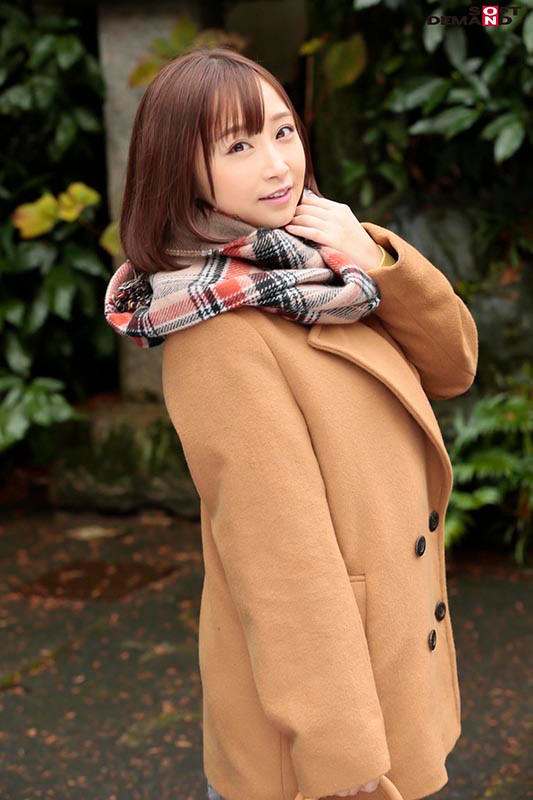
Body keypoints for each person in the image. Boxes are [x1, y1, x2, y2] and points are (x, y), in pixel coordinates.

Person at [104, 47, 478, 800]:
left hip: (390, 668)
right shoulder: (215, 328)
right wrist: (342, 760)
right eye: (237, 147)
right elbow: (279, 566)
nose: (277, 164)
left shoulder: (321, 267)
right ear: (182, 171)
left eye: (282, 131)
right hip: (329, 731)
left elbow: (452, 366)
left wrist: (375, 258)